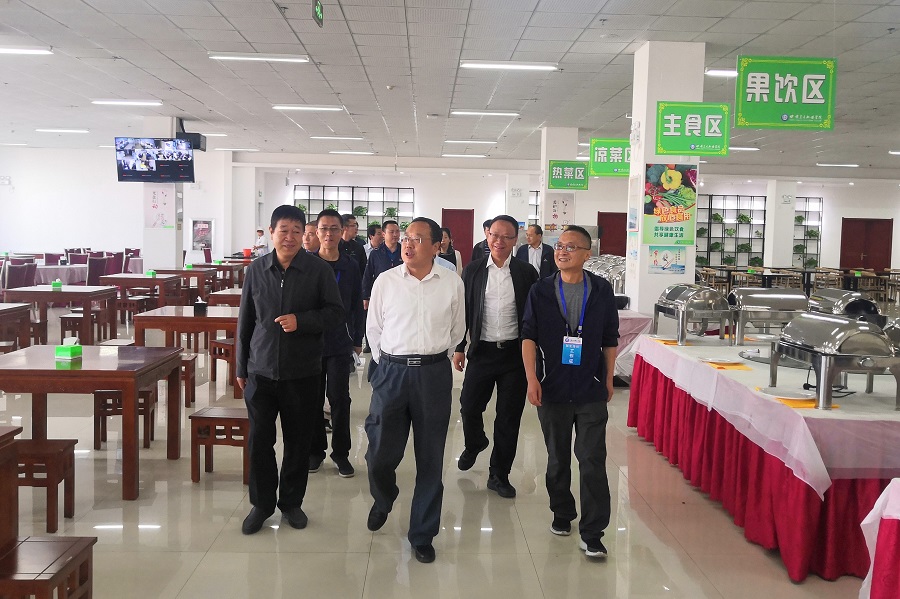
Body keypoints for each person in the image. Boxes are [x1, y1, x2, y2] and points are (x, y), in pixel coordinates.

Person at [236, 205, 346, 535]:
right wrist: (241, 365)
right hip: (260, 371)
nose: (290, 237)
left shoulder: (317, 270)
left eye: (297, 231)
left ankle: (291, 503)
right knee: (260, 442)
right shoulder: (256, 270)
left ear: (305, 235)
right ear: (271, 233)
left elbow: (335, 313)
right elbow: (245, 320)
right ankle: (261, 504)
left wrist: (302, 321)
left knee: (298, 443)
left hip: (303, 372)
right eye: (283, 230)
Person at [364, 217, 465, 564]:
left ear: (437, 246)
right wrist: (388, 365)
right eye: (406, 237)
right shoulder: (386, 281)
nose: (408, 244)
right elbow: (374, 329)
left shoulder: (451, 283)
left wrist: (432, 358)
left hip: (433, 375)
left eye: (418, 239)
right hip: (391, 373)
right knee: (379, 452)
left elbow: (457, 331)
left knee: (431, 457)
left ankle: (422, 533)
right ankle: (384, 496)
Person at [520, 225, 619, 559]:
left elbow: (610, 338)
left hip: (591, 389)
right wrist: (532, 379)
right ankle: (562, 512)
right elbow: (528, 337)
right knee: (557, 458)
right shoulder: (541, 290)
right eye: (559, 246)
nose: (562, 251)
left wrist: (608, 378)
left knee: (592, 460)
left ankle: (593, 533)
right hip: (553, 387)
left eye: (571, 247)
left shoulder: (601, 289)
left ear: (587, 254)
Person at [453, 215, 538, 498]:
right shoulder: (474, 270)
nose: (499, 241)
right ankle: (475, 442)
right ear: (487, 236)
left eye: (506, 237)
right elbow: (464, 310)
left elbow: (534, 316)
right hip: (482, 351)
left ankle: (499, 474)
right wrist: (459, 346)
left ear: (515, 240)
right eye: (494, 235)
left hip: (514, 355)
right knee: (469, 406)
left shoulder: (526, 273)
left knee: (508, 418)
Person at [309, 209, 365, 478]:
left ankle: (341, 454)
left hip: (340, 342)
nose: (329, 234)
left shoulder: (350, 265)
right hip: (310, 341)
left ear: (342, 231)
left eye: (334, 228)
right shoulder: (306, 263)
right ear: (316, 232)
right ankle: (315, 451)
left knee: (339, 398)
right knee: (312, 398)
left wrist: (358, 339)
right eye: (324, 228)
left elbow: (356, 304)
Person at [362, 219, 402, 307]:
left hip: (401, 292)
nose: (395, 234)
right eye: (391, 232)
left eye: (397, 231)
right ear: (384, 234)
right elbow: (368, 275)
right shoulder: (375, 253)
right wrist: (365, 296)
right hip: (381, 293)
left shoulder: (404, 251)